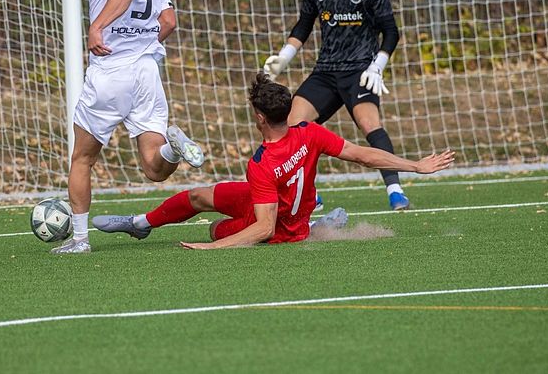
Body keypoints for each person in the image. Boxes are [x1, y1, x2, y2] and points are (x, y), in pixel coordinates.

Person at [93, 74, 454, 249]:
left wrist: (212, 246)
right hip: (268, 197)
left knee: (215, 228)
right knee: (198, 196)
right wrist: (415, 165)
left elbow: (264, 229)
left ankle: (314, 226)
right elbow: (362, 154)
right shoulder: (308, 132)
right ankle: (140, 223)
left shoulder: (262, 163)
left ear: (260, 118)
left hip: (282, 227)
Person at [52, 0, 205, 254]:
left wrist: (96, 27)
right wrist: (144, 43)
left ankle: (79, 240)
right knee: (155, 167)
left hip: (111, 71)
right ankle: (174, 148)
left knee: (82, 159)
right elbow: (169, 20)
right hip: (146, 72)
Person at [264, 0, 410, 211]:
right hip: (326, 72)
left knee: (370, 125)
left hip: (360, 71)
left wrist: (377, 66)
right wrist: (284, 57)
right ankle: (309, 195)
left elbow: (391, 32)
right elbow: (303, 26)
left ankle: (395, 191)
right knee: (290, 125)